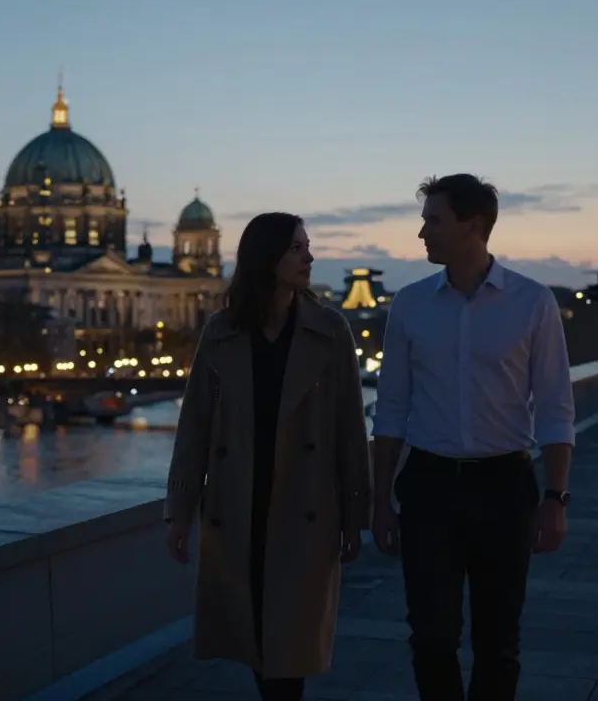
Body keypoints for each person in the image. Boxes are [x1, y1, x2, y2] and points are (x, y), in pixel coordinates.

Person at [370, 174, 575, 701]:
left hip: (504, 485)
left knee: (498, 641)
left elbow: (555, 408)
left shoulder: (532, 303)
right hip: (429, 485)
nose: (421, 234)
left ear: (474, 226)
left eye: (433, 220)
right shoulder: (411, 305)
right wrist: (380, 501)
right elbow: (390, 409)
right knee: (432, 637)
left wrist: (555, 498)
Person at [164, 212, 371, 700]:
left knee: (287, 648)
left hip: (305, 510)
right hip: (239, 508)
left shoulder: (332, 330)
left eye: (307, 246)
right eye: (297, 248)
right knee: (256, 638)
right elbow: (194, 426)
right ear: (267, 257)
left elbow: (349, 427)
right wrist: (179, 513)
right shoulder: (220, 331)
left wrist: (356, 513)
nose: (309, 257)